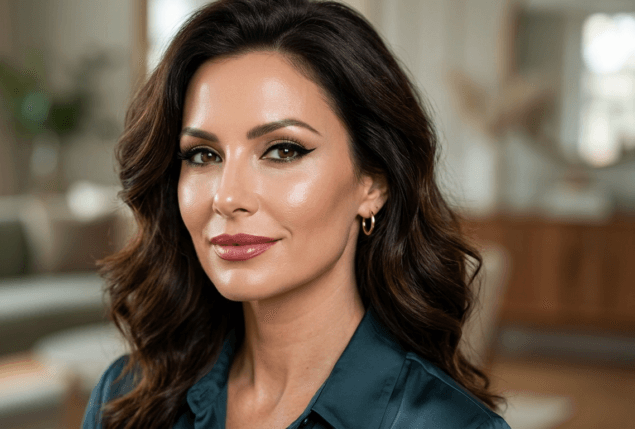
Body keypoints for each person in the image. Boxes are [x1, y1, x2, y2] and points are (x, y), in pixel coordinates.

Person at [83, 0, 510, 428]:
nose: (227, 197)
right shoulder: (125, 400)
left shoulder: (446, 424)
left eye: (283, 151)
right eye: (203, 154)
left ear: (373, 183)